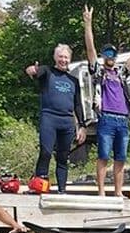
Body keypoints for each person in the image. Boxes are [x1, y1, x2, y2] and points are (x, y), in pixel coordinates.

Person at [83, 5, 130, 197]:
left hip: (123, 119)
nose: (110, 57)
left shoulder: (120, 73)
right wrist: (88, 24)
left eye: (113, 54)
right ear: (103, 57)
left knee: (121, 157)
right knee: (103, 155)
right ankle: (101, 192)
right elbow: (90, 49)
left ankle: (118, 192)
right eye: (107, 54)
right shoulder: (98, 71)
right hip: (106, 118)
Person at [25, 44, 86, 193]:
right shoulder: (47, 71)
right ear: (55, 57)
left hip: (67, 122)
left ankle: (62, 190)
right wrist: (31, 70)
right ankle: (39, 184)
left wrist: (82, 125)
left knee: (63, 157)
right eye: (60, 57)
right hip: (49, 118)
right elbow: (35, 72)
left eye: (66, 57)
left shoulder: (73, 80)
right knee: (46, 152)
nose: (63, 60)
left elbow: (78, 104)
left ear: (70, 59)